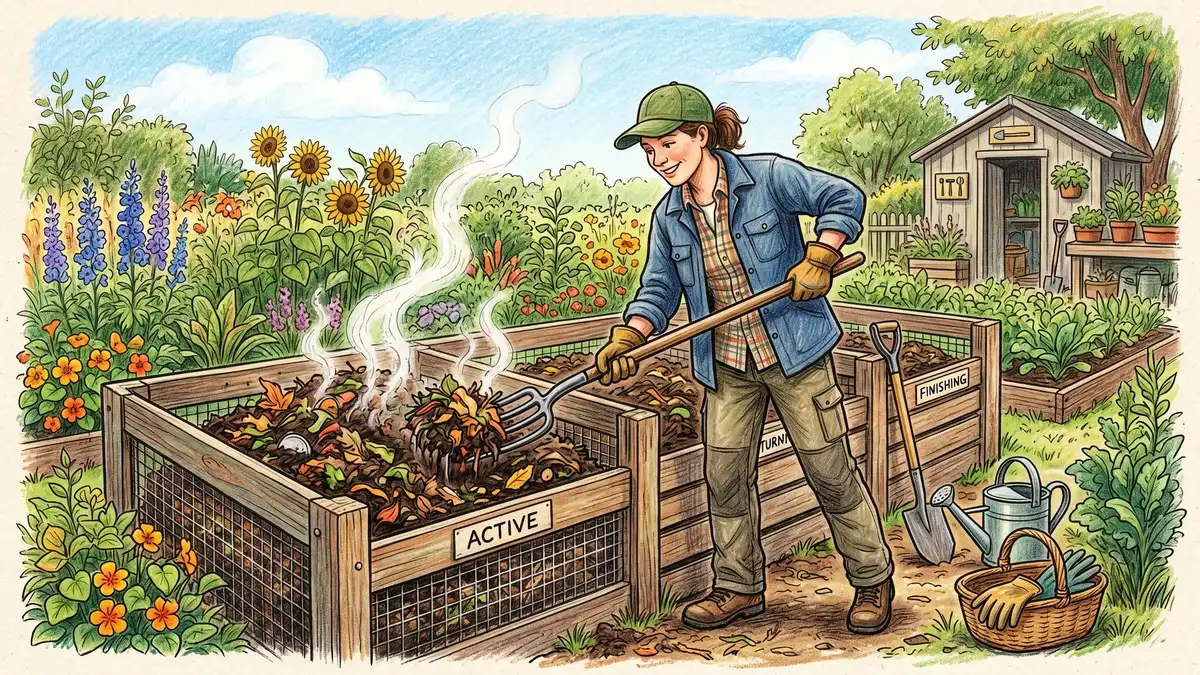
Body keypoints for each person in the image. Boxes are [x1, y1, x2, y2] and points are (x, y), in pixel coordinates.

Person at [598, 82, 895, 633]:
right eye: (649, 152)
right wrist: (629, 336)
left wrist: (822, 254)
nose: (659, 160)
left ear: (702, 136)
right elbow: (659, 290)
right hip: (729, 364)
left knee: (829, 470)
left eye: (668, 145)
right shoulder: (669, 217)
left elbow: (844, 197)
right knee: (725, 476)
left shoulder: (768, 178)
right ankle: (739, 587)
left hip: (794, 353)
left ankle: (872, 579)